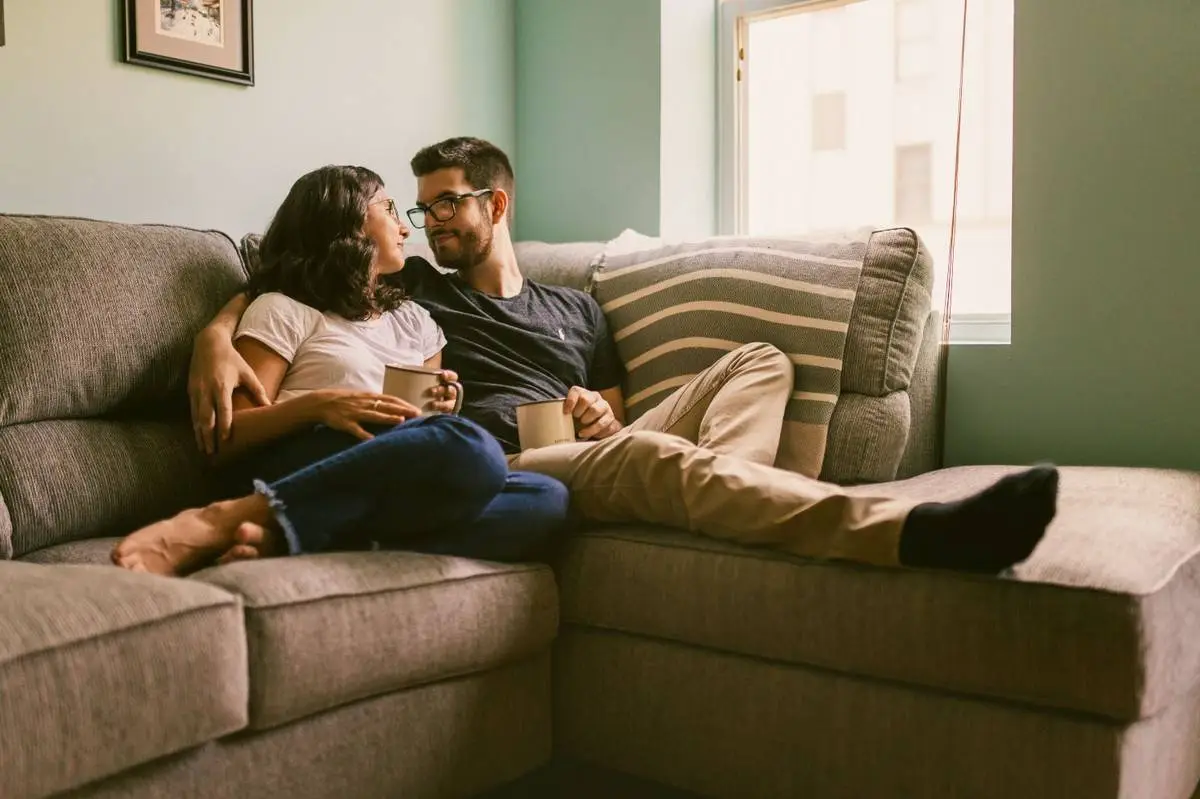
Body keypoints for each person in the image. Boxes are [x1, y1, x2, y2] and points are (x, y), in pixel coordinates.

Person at [188, 139, 1058, 575]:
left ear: (498, 201)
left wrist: (608, 414)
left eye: (448, 204)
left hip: (592, 439)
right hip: (509, 452)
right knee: (644, 458)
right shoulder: (417, 290)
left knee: (758, 361)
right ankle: (903, 534)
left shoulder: (580, 306)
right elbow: (295, 276)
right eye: (418, 210)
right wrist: (216, 329)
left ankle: (716, 500)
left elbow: (615, 406)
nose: (431, 223)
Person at [112, 165, 568, 576]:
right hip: (311, 454)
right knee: (471, 448)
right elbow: (224, 440)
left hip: (391, 465)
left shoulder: (417, 320)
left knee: (548, 499)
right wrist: (318, 406)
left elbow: (424, 423)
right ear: (349, 220)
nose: (407, 228)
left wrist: (443, 403)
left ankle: (299, 535)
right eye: (389, 208)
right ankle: (227, 516)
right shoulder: (284, 309)